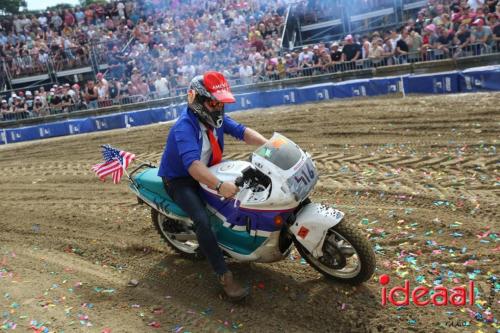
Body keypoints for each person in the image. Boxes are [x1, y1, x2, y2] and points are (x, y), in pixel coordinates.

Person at [158, 71, 267, 301]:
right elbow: (193, 166)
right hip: (181, 180)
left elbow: (242, 131)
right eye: (213, 102)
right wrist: (219, 186)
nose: (218, 107)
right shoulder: (184, 127)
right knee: (202, 220)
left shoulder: (213, 118)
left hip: (210, 169)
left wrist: (270, 145)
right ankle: (224, 276)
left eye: (220, 103)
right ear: (197, 100)